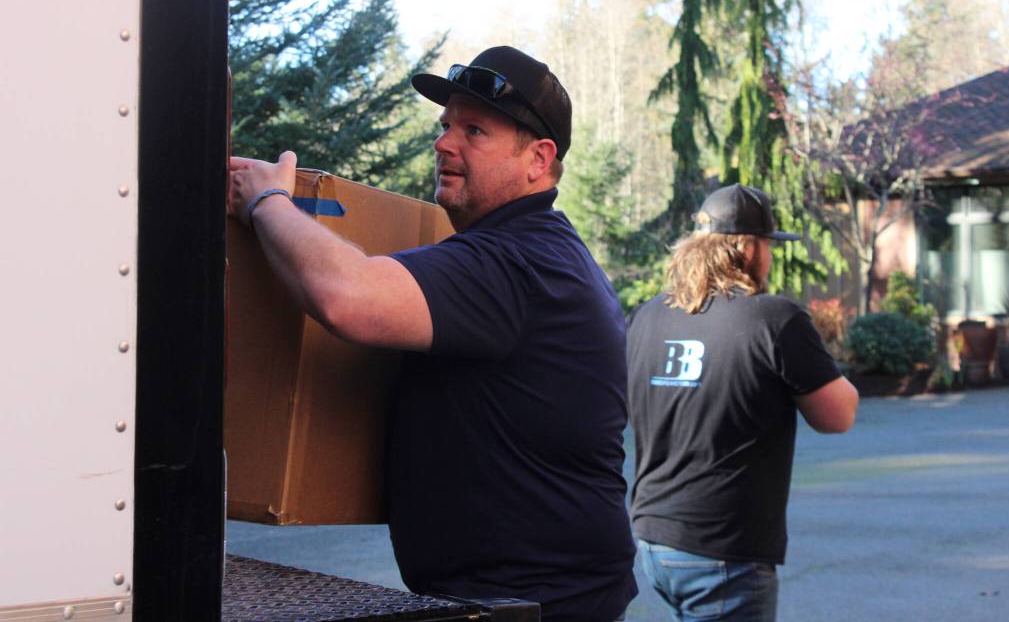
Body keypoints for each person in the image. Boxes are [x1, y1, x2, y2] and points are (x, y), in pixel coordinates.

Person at [228, 45, 637, 621]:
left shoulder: (517, 262)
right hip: (519, 596)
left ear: (538, 159)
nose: (444, 143)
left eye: (475, 130)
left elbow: (348, 299)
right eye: (446, 126)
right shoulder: (529, 251)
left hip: (539, 605)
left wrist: (268, 201)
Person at [626, 184, 859, 621]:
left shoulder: (647, 315)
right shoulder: (773, 318)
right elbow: (838, 415)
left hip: (654, 540)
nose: (770, 256)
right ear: (748, 248)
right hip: (723, 549)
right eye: (769, 244)